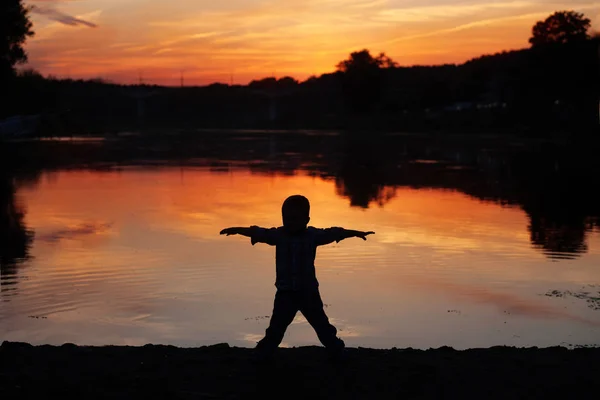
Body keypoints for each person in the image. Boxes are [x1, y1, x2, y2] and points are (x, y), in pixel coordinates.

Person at [220, 194, 375, 362]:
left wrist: (355, 233)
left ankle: (336, 349)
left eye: (294, 219)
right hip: (285, 293)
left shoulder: (313, 236)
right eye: (286, 218)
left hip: (308, 292)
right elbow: (259, 232)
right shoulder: (279, 235)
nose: (290, 223)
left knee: (322, 325)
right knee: (276, 327)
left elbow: (333, 233)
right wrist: (237, 230)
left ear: (306, 219)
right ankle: (263, 353)